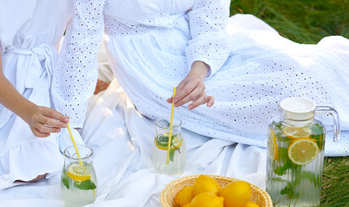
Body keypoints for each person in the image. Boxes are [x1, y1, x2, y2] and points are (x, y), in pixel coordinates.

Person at [54, 0, 349, 156]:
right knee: (286, 95)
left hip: (201, 46)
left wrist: (199, 69)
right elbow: (80, 42)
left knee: (310, 67)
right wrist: (71, 123)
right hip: (149, 66)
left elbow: (210, 14)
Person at [0, 0, 73, 182]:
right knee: (32, 163)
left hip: (48, 79)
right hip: (6, 94)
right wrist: (29, 112)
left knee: (48, 160)